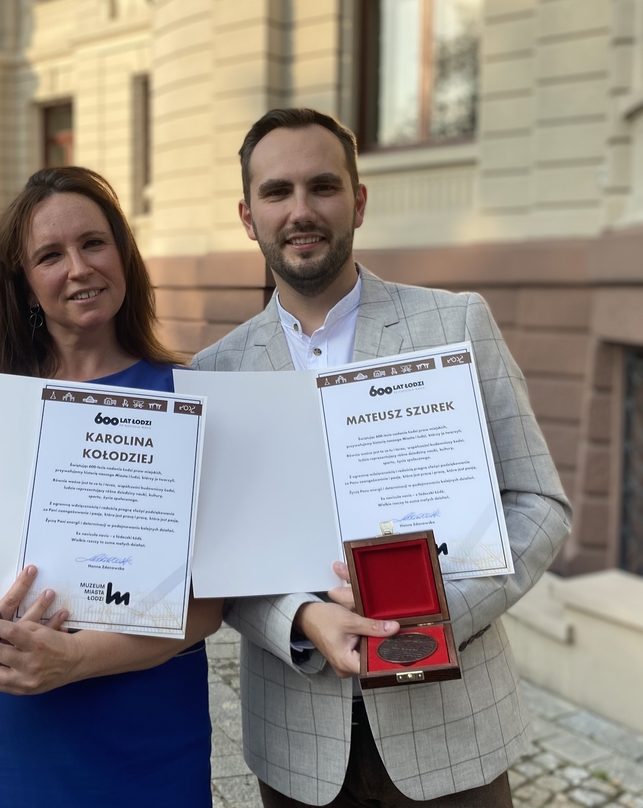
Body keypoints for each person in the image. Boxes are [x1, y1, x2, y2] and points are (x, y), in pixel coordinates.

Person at [192, 108, 572, 808]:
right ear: (248, 216)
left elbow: (539, 504)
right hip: (299, 745)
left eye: (323, 186)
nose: (301, 211)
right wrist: (300, 620)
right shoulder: (217, 372)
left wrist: (434, 616)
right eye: (277, 192)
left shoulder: (455, 324)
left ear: (358, 202)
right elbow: (220, 558)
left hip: (454, 734)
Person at [0, 166, 222, 807]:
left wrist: (74, 660)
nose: (80, 268)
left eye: (94, 243)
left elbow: (210, 604)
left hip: (141, 741)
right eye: (50, 256)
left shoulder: (188, 398)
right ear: (26, 285)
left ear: (123, 255)